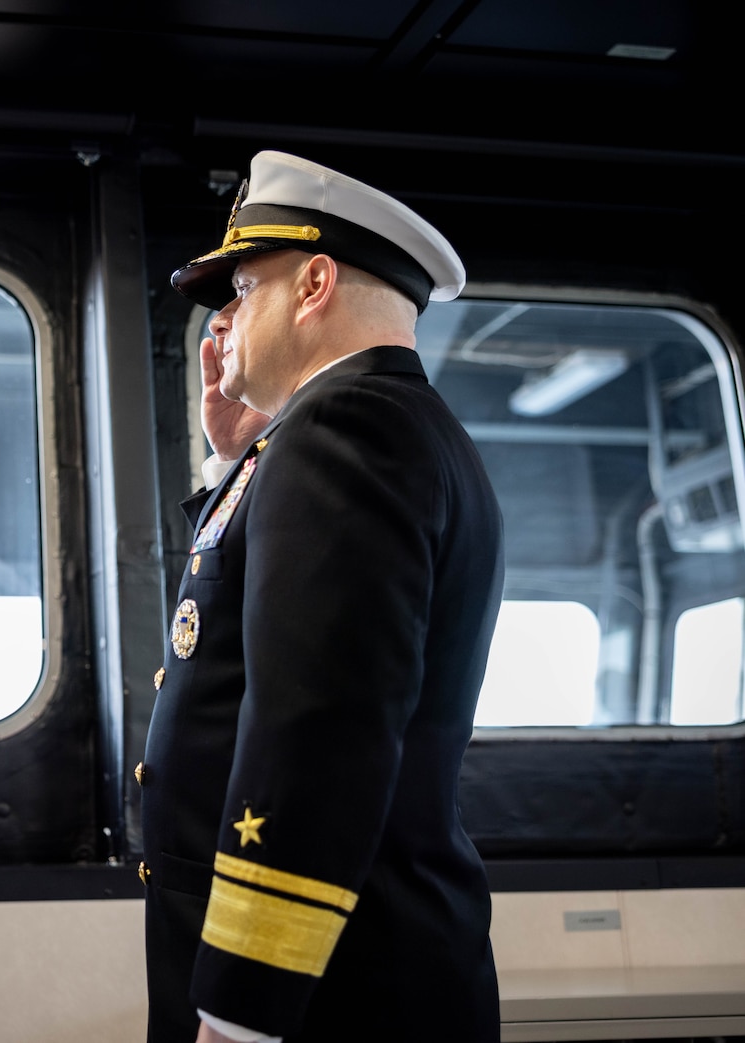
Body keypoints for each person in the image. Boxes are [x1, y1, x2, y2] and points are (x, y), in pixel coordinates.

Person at [139, 150, 504, 1043]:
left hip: (326, 987)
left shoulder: (344, 426)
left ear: (313, 282)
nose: (225, 322)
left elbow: (319, 726)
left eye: (245, 287)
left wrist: (241, 1007)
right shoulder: (387, 425)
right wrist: (229, 459)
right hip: (355, 959)